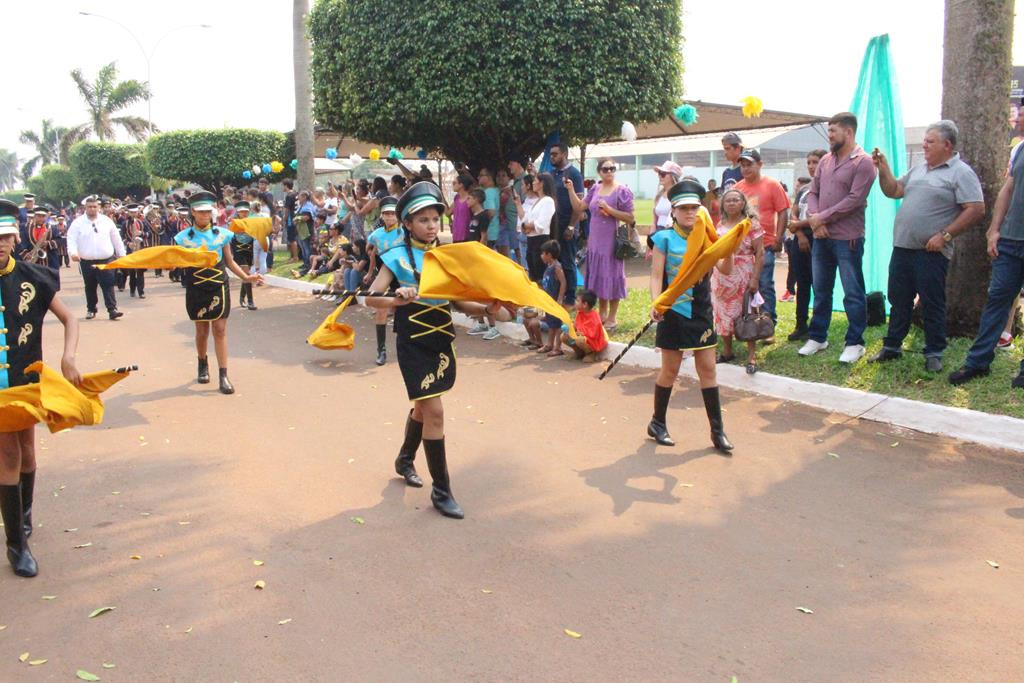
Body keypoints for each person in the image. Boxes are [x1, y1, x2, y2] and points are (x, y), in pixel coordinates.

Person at [366, 182, 512, 519]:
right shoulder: (396, 257)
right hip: (413, 342)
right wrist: (398, 297)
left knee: (422, 407)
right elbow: (371, 297)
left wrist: (490, 309)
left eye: (435, 219)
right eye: (423, 220)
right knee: (435, 412)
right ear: (407, 223)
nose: (431, 226)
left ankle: (405, 458)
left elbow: (459, 302)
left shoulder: (445, 258)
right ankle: (442, 491)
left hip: (441, 341)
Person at [0, 199, 82, 578]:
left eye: (4, 236)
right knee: (9, 454)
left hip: (27, 383)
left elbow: (69, 319)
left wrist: (68, 357)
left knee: (29, 451)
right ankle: (17, 546)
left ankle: (24, 514)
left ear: (15, 237)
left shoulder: (34, 276)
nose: (0, 243)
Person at [871, 121, 985, 372]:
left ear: (947, 145)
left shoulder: (960, 172)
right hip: (903, 247)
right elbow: (894, 190)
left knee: (933, 302)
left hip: (932, 252)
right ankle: (892, 347)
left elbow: (976, 208)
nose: (924, 145)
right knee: (898, 299)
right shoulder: (919, 169)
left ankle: (934, 351)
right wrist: (884, 169)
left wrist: (945, 235)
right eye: (924, 140)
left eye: (930, 141)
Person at [647, 179, 734, 453]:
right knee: (670, 371)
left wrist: (727, 248)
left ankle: (717, 432)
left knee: (708, 369)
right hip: (673, 313)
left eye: (694, 208)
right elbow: (656, 276)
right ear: (673, 211)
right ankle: (657, 422)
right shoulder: (664, 239)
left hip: (701, 311)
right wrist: (656, 304)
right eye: (683, 208)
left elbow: (726, 269)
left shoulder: (709, 238)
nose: (690, 213)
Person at [799, 113, 878, 363]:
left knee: (852, 291)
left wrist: (821, 218)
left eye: (833, 131)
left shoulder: (863, 162)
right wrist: (815, 218)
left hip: (848, 239)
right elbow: (813, 192)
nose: (829, 135)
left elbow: (854, 201)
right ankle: (818, 337)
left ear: (849, 132)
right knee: (821, 289)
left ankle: (855, 342)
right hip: (822, 237)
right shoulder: (825, 160)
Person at [948, 138, 1024, 388]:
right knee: (997, 300)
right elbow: (1008, 189)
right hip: (1011, 240)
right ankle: (978, 363)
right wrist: (993, 229)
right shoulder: (1020, 149)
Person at [173, 191, 262, 394]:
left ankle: (223, 375)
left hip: (218, 285)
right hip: (196, 286)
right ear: (193, 212)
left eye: (208, 211)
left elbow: (229, 261)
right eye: (202, 212)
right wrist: (171, 265)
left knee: (220, 329)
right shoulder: (183, 238)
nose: (206, 215)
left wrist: (246, 277)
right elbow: (177, 262)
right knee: (202, 331)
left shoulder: (222, 234)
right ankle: (202, 363)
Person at [565, 158, 634, 329]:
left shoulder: (621, 190)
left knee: (612, 275)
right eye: (605, 169)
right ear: (599, 172)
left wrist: (609, 210)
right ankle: (602, 314)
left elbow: (630, 217)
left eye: (612, 168)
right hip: (594, 241)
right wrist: (571, 189)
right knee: (599, 277)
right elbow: (580, 207)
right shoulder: (595, 188)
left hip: (611, 240)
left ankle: (612, 317)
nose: (609, 171)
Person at [734, 148, 790, 329]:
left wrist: (779, 239)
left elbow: (782, 212)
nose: (745, 168)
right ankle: (746, 323)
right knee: (744, 285)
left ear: (760, 164)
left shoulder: (772, 185)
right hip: (743, 248)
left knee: (764, 284)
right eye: (742, 165)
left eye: (749, 164)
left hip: (765, 245)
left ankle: (769, 324)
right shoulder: (738, 188)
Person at [711, 189, 764, 374]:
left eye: (736, 200)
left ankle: (751, 356)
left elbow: (760, 253)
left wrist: (755, 278)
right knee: (722, 313)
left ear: (743, 203)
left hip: (743, 274)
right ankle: (727, 350)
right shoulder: (721, 224)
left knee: (747, 314)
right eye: (728, 201)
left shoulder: (751, 224)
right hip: (721, 276)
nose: (732, 203)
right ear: (722, 205)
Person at [786, 151, 827, 340]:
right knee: (802, 284)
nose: (811, 166)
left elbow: (820, 217)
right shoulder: (804, 189)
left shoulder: (828, 189)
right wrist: (800, 233)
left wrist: (798, 226)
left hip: (819, 240)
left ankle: (817, 328)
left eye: (816, 162)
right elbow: (793, 214)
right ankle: (800, 324)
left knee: (820, 285)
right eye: (809, 162)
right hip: (799, 241)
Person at [66, 196, 125, 320]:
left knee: (108, 284)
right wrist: (73, 253)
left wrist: (122, 255)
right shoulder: (77, 223)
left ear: (98, 207)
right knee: (90, 285)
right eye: (89, 207)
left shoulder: (107, 221)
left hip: (106, 259)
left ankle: (112, 309)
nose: (92, 209)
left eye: (94, 207)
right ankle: (91, 309)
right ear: (85, 208)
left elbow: (116, 239)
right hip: (86, 261)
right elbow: (71, 239)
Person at [366, 196, 405, 365]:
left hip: (402, 274)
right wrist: (370, 272)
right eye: (386, 214)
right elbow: (372, 252)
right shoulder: (376, 235)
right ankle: (381, 350)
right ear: (381, 215)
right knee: (381, 309)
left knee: (402, 311)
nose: (389, 217)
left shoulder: (405, 233)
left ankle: (405, 348)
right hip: (384, 273)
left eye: (392, 213)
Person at [549, 143, 583, 304]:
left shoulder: (574, 174)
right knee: (556, 261)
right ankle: (557, 294)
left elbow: (579, 203)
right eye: (550, 154)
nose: (552, 157)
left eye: (555, 154)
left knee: (568, 261)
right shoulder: (552, 173)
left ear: (564, 154)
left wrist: (571, 226)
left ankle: (571, 297)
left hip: (568, 225)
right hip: (554, 225)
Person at [525, 240, 567, 356]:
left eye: (543, 253)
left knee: (557, 325)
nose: (541, 256)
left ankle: (558, 347)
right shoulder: (549, 266)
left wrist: (560, 298)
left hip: (554, 301)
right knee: (551, 324)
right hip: (548, 301)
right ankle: (549, 344)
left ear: (549, 255)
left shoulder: (557, 267)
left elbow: (563, 283)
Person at [515, 173, 558, 281]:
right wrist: (518, 205)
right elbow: (526, 219)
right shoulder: (538, 201)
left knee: (540, 274)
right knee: (532, 272)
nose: (533, 182)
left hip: (541, 240)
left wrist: (528, 226)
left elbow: (542, 224)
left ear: (542, 183)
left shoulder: (548, 200)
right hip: (531, 240)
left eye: (535, 180)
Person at [561, 289, 608, 362]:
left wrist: (578, 333)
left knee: (579, 340)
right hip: (582, 337)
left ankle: (591, 354)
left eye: (577, 300)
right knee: (564, 336)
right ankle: (579, 352)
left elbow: (592, 335)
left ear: (585, 304)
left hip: (593, 342)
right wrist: (569, 329)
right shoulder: (580, 313)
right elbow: (576, 325)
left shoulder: (594, 317)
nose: (575, 302)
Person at [228, 201, 259, 310]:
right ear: (238, 212)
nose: (244, 213)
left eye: (246, 211)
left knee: (246, 274)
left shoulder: (252, 221)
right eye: (242, 212)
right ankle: (251, 301)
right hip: (238, 250)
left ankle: (242, 297)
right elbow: (229, 237)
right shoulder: (232, 222)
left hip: (249, 249)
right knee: (246, 272)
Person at [652, 161, 683, 238]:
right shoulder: (659, 196)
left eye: (663, 174)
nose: (660, 176)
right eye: (659, 173)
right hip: (658, 233)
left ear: (673, 177)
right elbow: (654, 222)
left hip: (673, 234)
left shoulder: (679, 196)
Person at [446, 173, 474, 243]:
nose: (453, 185)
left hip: (467, 236)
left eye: (454, 183)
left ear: (461, 185)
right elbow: (448, 213)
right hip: (456, 235)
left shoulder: (471, 199)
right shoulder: (456, 198)